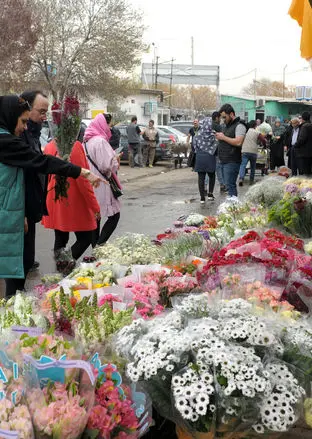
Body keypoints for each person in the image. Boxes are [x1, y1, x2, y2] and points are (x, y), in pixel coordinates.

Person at [0, 95, 102, 291]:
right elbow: (41, 162)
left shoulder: (10, 139)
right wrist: (81, 171)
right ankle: (11, 313)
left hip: (13, 214)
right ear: (9, 116)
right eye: (22, 121)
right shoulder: (5, 141)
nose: (24, 127)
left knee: (19, 267)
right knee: (15, 273)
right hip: (7, 217)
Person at [4, 91, 48, 295]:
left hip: (28, 208)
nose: (44, 116)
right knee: (17, 266)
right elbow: (17, 176)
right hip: (17, 211)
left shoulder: (32, 134)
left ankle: (15, 306)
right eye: (40, 111)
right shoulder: (14, 139)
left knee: (26, 262)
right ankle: (12, 313)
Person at [42, 137, 102, 268]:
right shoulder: (74, 146)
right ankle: (65, 265)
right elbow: (83, 180)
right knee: (85, 237)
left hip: (53, 197)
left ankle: (60, 266)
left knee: (60, 236)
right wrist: (95, 206)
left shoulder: (50, 145)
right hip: (71, 200)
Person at [83, 114, 121, 246]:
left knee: (96, 217)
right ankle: (100, 244)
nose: (109, 129)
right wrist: (116, 160)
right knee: (114, 216)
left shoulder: (86, 141)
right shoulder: (100, 142)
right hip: (102, 184)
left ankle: (95, 248)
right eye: (108, 125)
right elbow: (107, 166)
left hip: (90, 182)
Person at [215, 104, 247, 198]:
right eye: (222, 117)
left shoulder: (239, 126)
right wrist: (219, 137)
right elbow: (227, 139)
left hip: (232, 161)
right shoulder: (227, 126)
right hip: (224, 160)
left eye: (225, 117)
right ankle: (231, 205)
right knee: (228, 186)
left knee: (230, 185)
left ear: (232, 114)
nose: (223, 119)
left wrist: (223, 137)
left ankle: (233, 206)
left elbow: (238, 142)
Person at [194, 117, 217, 203]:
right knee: (212, 176)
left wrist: (199, 152)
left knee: (201, 178)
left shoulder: (197, 134)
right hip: (210, 157)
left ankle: (202, 198)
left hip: (200, 157)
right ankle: (210, 194)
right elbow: (216, 146)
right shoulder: (213, 135)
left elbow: (194, 147)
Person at [238, 120, 266, 186]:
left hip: (245, 150)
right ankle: (251, 180)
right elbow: (263, 140)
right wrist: (264, 146)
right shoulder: (257, 132)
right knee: (253, 166)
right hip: (253, 151)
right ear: (255, 125)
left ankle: (241, 178)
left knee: (243, 165)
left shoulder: (245, 132)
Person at [211, 111, 226, 192]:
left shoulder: (208, 125)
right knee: (219, 168)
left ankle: (205, 187)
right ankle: (222, 185)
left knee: (208, 170)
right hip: (217, 150)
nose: (220, 119)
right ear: (217, 118)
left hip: (208, 151)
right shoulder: (218, 127)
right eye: (220, 117)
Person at [294, 111, 312, 175]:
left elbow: (302, 139)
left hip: (304, 153)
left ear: (303, 118)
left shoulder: (304, 126)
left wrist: (295, 145)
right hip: (310, 152)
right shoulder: (310, 125)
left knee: (304, 171)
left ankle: (306, 183)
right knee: (309, 170)